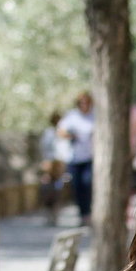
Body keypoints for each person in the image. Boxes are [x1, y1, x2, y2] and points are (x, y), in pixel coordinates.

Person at [58, 92, 97, 226]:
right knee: (76, 186)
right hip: (74, 158)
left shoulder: (95, 115)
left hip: (90, 157)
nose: (84, 105)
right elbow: (60, 131)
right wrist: (71, 135)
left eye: (86, 102)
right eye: (81, 102)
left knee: (87, 183)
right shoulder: (72, 116)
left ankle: (88, 212)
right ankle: (82, 213)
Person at [38, 111, 67, 226]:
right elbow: (44, 148)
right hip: (50, 163)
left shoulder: (64, 132)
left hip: (59, 163)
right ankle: (48, 212)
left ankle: (55, 213)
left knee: (58, 190)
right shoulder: (48, 133)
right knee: (47, 188)